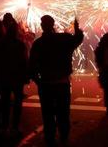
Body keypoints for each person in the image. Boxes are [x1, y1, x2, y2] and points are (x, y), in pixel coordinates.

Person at [29, 15, 83, 146]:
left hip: (46, 84)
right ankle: (64, 137)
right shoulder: (63, 39)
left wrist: (38, 81)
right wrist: (77, 28)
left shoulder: (38, 43)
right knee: (63, 112)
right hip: (62, 83)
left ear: (42, 26)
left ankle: (50, 138)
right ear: (53, 24)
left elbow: (31, 67)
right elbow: (78, 39)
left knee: (47, 114)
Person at [0, 15, 29, 136]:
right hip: (16, 77)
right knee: (17, 103)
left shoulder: (0, 43)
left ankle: (4, 126)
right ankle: (14, 126)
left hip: (4, 77)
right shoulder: (20, 45)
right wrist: (26, 77)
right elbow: (24, 61)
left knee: (5, 102)